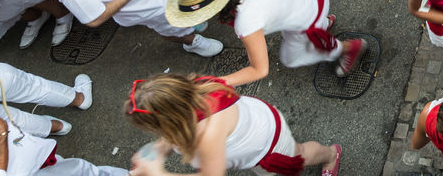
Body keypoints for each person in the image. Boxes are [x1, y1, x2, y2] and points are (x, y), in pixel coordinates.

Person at [165, 0, 366, 86]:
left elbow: (259, 70)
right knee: (292, 16)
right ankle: (323, 21)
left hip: (307, 13)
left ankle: (348, 48)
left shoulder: (246, 22)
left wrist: (216, 83)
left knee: (291, 59)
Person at [126, 74, 341, 176]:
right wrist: (160, 149)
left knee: (299, 153)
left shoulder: (208, 134)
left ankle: (331, 154)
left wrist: (157, 173)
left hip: (268, 143)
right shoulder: (188, 93)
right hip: (255, 124)